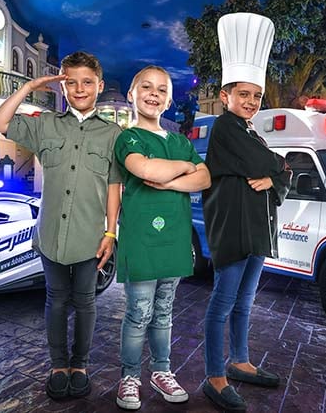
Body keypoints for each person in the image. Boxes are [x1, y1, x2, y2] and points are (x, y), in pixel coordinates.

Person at [0, 51, 122, 400]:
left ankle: (80, 365)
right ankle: (58, 366)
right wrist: (29, 87)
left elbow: (113, 185)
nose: (79, 89)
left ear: (99, 86)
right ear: (62, 86)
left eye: (87, 82)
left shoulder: (112, 134)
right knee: (56, 301)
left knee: (86, 302)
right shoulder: (45, 124)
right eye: (72, 82)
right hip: (49, 236)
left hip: (90, 237)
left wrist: (111, 231)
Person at [201, 13, 292, 412]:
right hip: (233, 230)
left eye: (256, 96)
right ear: (226, 97)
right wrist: (276, 166)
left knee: (245, 302)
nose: (251, 102)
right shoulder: (225, 128)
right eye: (243, 95)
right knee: (222, 303)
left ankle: (240, 361)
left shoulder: (252, 131)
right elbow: (272, 160)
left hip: (257, 232)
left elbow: (284, 171)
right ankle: (215, 377)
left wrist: (274, 178)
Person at [112, 66, 211, 410]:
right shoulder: (128, 138)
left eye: (161, 90)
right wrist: (183, 168)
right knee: (139, 311)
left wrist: (169, 177)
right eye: (146, 87)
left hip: (174, 239)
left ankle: (161, 371)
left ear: (169, 100)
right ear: (132, 94)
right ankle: (129, 376)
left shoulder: (181, 142)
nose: (153, 94)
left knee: (165, 311)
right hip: (141, 239)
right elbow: (144, 169)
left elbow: (204, 178)